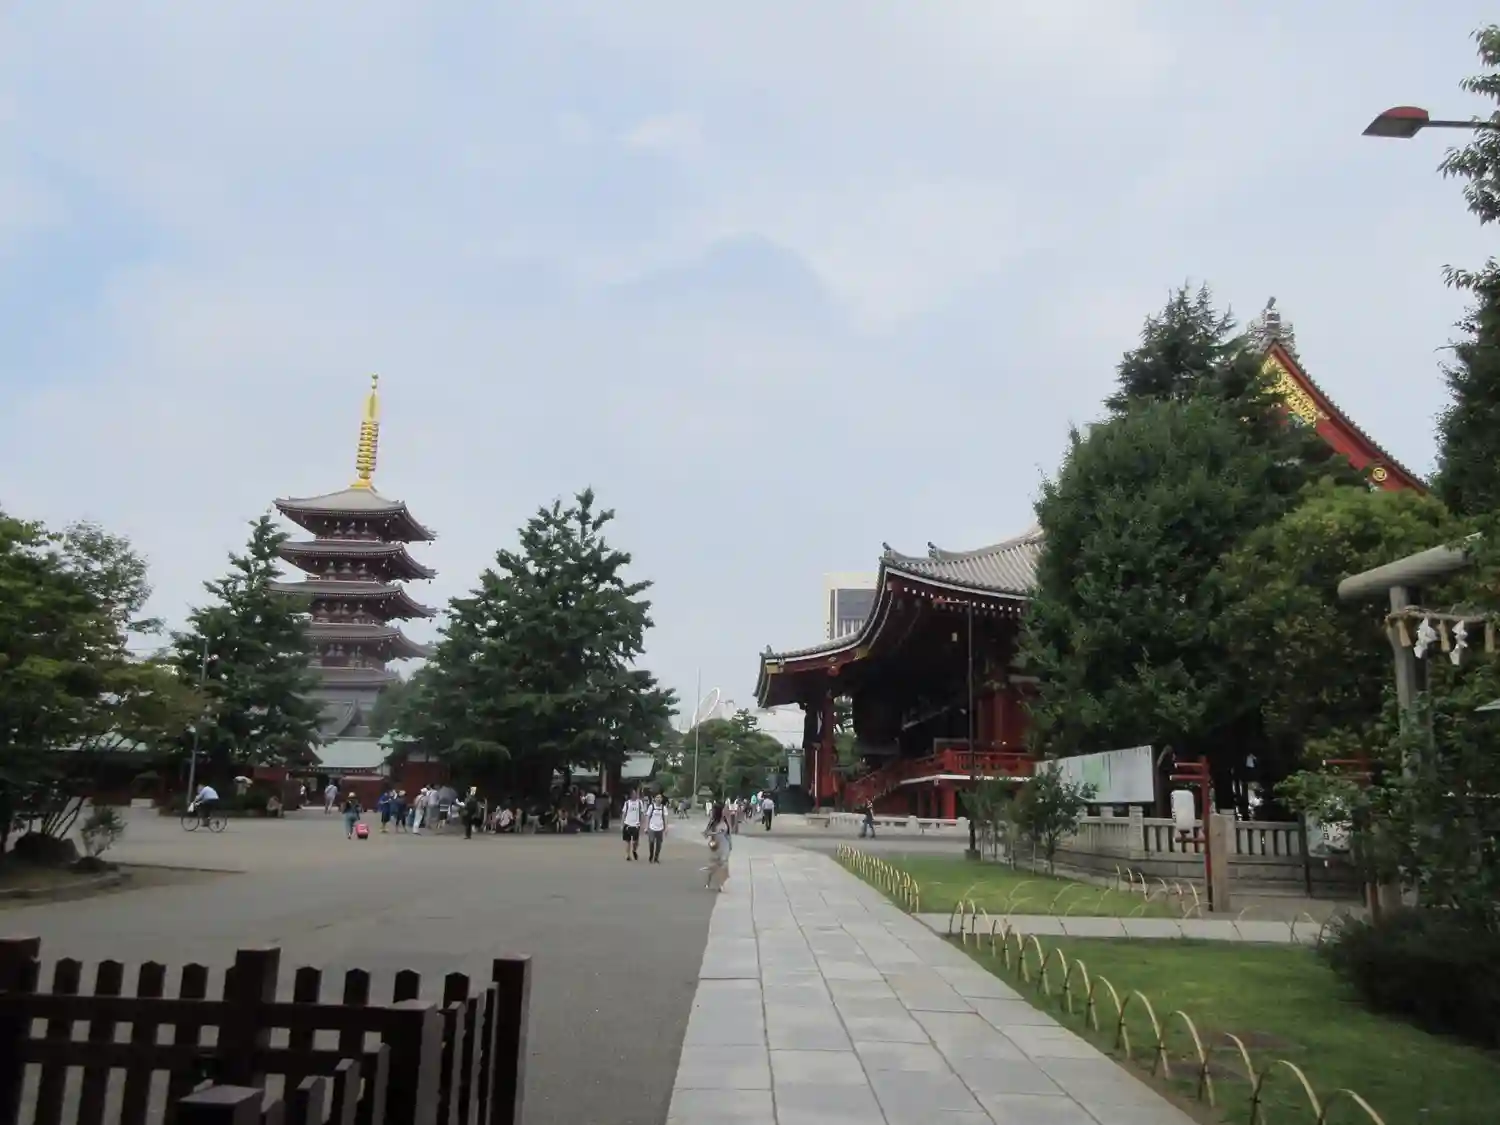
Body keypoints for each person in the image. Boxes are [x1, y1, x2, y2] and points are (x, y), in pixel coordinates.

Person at [702, 800, 731, 891]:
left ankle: (720, 884)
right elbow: (706, 834)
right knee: (715, 865)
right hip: (716, 845)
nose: (726, 811)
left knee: (724, 865)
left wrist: (730, 844)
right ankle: (708, 881)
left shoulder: (726, 821)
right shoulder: (713, 822)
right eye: (724, 810)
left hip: (725, 845)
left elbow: (728, 834)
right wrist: (713, 833)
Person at [621, 787, 645, 861]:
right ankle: (627, 855)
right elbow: (624, 814)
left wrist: (642, 824)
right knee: (627, 841)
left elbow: (642, 813)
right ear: (631, 795)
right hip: (627, 823)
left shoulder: (639, 803)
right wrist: (622, 824)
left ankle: (634, 850)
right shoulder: (627, 803)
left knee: (635, 842)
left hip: (636, 824)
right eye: (633, 793)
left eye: (635, 793)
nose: (635, 795)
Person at [645, 793, 668, 863]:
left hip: (660, 828)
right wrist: (646, 827)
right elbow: (647, 817)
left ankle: (656, 857)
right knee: (651, 842)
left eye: (660, 797)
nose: (658, 799)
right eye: (657, 797)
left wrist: (666, 828)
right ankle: (651, 855)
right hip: (652, 827)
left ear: (662, 799)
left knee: (659, 844)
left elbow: (665, 818)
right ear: (655, 799)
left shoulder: (663, 808)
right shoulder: (651, 807)